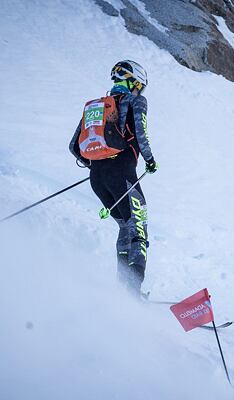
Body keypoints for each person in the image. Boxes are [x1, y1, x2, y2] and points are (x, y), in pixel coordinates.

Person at [69, 60, 158, 296]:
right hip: (122, 174)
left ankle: (123, 290)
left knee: (124, 226)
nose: (141, 91)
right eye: (140, 86)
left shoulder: (97, 107)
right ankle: (131, 292)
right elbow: (141, 134)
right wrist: (150, 161)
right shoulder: (136, 100)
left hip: (97, 178)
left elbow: (74, 147)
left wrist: (98, 163)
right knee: (138, 228)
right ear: (134, 82)